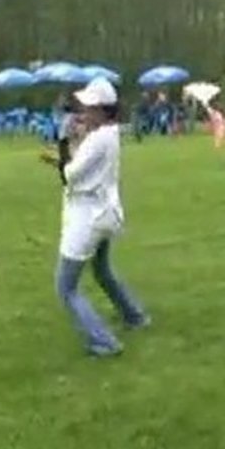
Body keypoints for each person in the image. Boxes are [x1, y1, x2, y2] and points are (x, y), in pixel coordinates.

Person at [40, 77, 149, 357]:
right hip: (106, 213)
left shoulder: (97, 139)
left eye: (89, 108)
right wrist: (66, 155)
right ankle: (134, 316)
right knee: (102, 271)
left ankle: (104, 341)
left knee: (66, 287)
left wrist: (63, 142)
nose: (83, 112)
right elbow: (83, 166)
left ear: (102, 110)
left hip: (87, 218)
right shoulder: (109, 134)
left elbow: (71, 176)